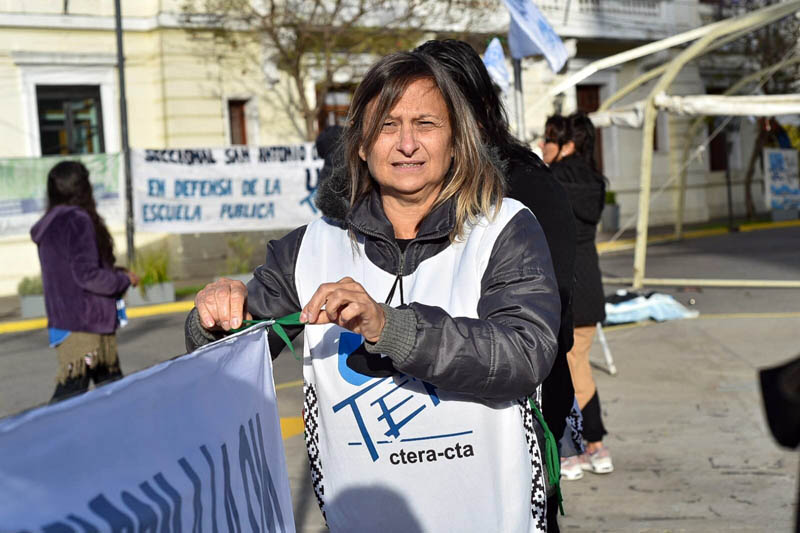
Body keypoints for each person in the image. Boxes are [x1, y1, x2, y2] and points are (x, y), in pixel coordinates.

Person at [186, 50, 561, 532]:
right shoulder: (309, 248)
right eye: (387, 126)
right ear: (361, 144)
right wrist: (212, 316)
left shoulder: (503, 226)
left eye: (425, 124)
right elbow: (231, 351)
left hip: (491, 514)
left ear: (455, 141)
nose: (407, 143)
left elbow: (524, 354)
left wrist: (390, 328)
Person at [413, 38, 577, 531]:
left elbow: (544, 327)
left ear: (478, 111)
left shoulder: (521, 189)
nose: (419, 137)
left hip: (517, 408)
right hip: (435, 413)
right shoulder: (436, 184)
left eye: (434, 117)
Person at [541, 112, 613, 475]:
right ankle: (591, 446)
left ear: (566, 145)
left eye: (548, 139)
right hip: (591, 283)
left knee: (571, 369)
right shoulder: (595, 181)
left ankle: (589, 445)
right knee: (578, 363)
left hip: (567, 287)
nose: (541, 145)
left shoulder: (552, 182)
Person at [31, 161, 138, 401]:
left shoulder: (51, 222)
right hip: (86, 327)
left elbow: (71, 269)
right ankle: (38, 437)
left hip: (67, 321)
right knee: (71, 392)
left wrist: (116, 272)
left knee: (112, 391)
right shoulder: (77, 219)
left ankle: (128, 434)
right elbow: (87, 275)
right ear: (83, 189)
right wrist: (121, 279)